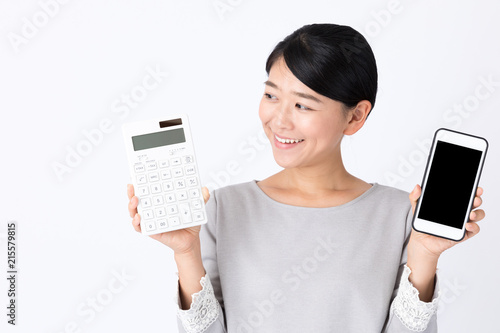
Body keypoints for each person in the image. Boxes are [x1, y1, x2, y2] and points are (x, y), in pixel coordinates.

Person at [126, 23, 485, 333]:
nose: (279, 120)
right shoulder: (223, 208)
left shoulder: (402, 215)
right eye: (271, 95)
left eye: (303, 105)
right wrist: (186, 252)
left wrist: (425, 253)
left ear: (355, 117)